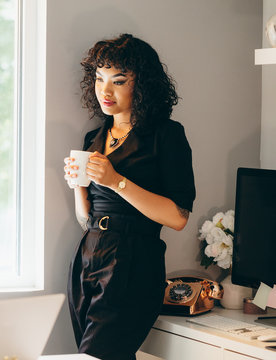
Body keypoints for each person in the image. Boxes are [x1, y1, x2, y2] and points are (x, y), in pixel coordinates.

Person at [63, 34, 195, 360]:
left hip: (134, 260)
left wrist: (116, 181)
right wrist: (78, 185)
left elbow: (178, 216)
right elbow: (86, 219)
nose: (105, 91)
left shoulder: (166, 135)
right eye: (99, 79)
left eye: (118, 81)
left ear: (142, 85)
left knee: (95, 357)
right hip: (89, 256)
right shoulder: (94, 136)